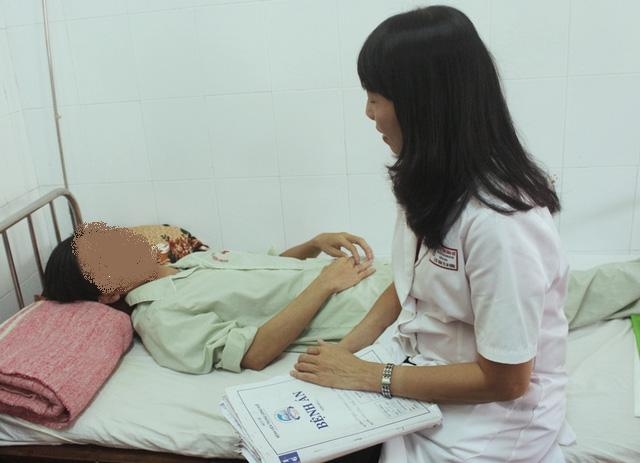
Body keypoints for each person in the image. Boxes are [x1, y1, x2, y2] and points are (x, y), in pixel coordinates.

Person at [292, 6, 571, 462]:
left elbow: (506, 380)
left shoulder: (502, 224)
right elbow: (408, 283)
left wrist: (369, 376)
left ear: (423, 105)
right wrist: (345, 352)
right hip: (419, 370)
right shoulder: (427, 183)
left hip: (488, 420)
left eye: (375, 97)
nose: (368, 113)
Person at [42, 222, 392, 374]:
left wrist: (313, 244)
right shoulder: (161, 318)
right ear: (109, 294)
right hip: (368, 309)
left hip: (375, 274)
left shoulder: (189, 261)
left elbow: (267, 272)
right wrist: (324, 284)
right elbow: (254, 355)